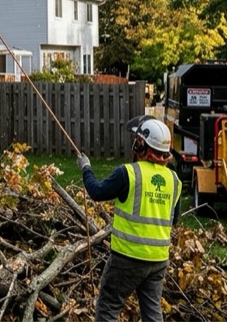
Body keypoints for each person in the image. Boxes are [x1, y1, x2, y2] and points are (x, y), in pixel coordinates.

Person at [78, 118, 181, 322]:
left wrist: (86, 168)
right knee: (152, 313)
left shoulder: (128, 173)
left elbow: (97, 192)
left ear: (140, 144)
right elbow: (174, 219)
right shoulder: (174, 180)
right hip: (158, 260)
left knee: (108, 308)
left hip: (127, 259)